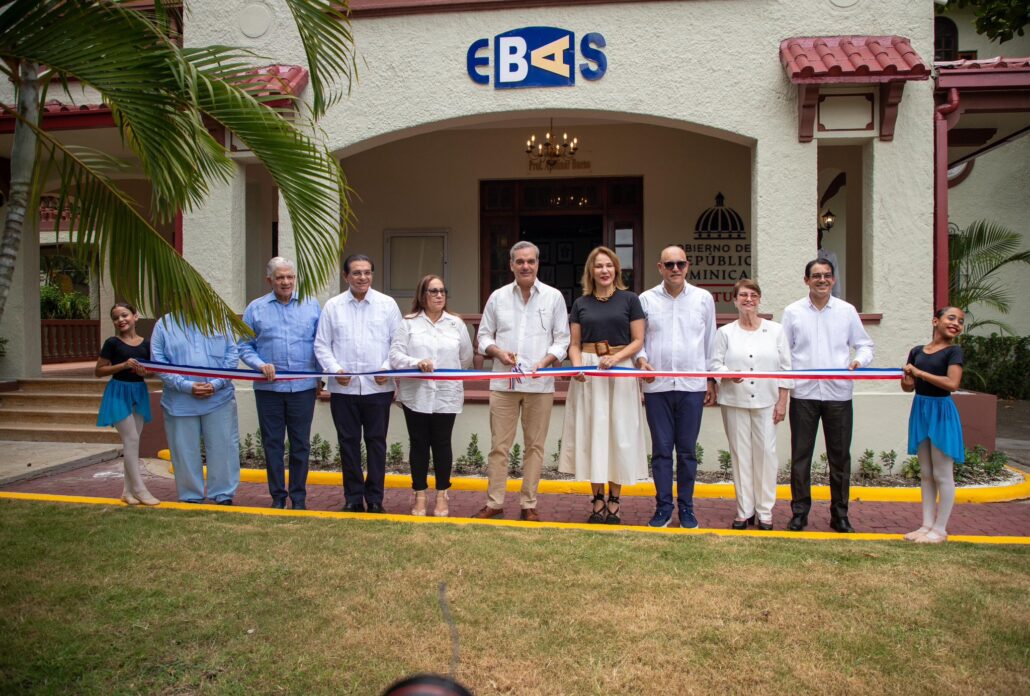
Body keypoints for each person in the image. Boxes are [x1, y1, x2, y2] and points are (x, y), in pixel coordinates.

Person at [473, 241, 570, 522]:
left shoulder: (553, 297)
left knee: (535, 447)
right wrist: (498, 353)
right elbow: (483, 337)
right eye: (520, 261)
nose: (525, 266)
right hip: (504, 384)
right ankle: (495, 502)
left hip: (539, 384)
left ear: (537, 264)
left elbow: (562, 339)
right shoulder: (498, 297)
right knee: (498, 447)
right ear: (511, 265)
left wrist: (546, 360)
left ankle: (529, 504)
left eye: (530, 261)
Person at [782, 258, 874, 533]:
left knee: (840, 458)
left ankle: (840, 515)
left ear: (833, 280)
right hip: (804, 394)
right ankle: (799, 513)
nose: (822, 280)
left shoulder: (846, 311)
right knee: (800, 458)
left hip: (838, 394)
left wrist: (859, 361)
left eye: (827, 276)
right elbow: (784, 352)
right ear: (806, 280)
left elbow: (865, 345)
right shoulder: (793, 312)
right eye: (816, 276)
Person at [558, 246, 647, 524]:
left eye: (609, 265)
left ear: (616, 269)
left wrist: (616, 358)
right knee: (593, 431)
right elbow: (573, 344)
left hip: (620, 368)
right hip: (589, 370)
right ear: (591, 271)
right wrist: (577, 366)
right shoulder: (581, 304)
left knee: (619, 432)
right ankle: (597, 499)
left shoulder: (630, 300)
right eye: (599, 266)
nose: (604, 271)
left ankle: (615, 501)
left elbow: (638, 340)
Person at [636, 245, 717, 529]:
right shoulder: (646, 299)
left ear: (687, 266)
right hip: (656, 386)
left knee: (686, 452)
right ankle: (663, 508)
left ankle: (686, 509)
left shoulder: (703, 299)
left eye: (680, 264)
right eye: (669, 264)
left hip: (691, 386)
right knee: (660, 450)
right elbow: (639, 340)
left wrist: (710, 379)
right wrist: (641, 360)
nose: (674, 269)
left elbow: (710, 341)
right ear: (660, 267)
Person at [314, 254, 401, 514]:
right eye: (356, 273)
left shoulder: (387, 305)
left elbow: (398, 343)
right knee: (348, 442)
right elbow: (321, 345)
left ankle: (375, 499)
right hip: (344, 389)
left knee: (377, 443)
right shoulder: (333, 306)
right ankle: (353, 497)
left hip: (378, 389)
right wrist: (333, 369)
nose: (362, 277)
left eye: (367, 272)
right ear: (346, 277)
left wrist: (387, 368)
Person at [239, 257, 321, 510]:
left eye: (290, 277)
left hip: (303, 388)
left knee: (301, 445)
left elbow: (321, 344)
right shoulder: (255, 308)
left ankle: (298, 498)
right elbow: (244, 345)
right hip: (269, 390)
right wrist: (259, 364)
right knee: (272, 444)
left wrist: (321, 379)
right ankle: (277, 497)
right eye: (280, 277)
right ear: (269, 280)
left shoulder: (312, 305)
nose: (286, 282)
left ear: (295, 278)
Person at [390, 275, 474, 517]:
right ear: (422, 295)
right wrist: (417, 363)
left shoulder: (455, 324)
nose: (439, 295)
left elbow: (465, 358)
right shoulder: (408, 323)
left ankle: (441, 495)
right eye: (433, 291)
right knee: (418, 444)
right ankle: (419, 494)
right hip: (416, 394)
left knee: (442, 443)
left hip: (446, 394)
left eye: (442, 291)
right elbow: (395, 356)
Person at [712, 279, 792, 531]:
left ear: (759, 300)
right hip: (734, 401)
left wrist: (782, 401)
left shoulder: (776, 330)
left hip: (767, 402)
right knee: (741, 455)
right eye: (743, 295)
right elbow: (714, 365)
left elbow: (785, 369)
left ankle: (765, 511)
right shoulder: (725, 332)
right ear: (734, 300)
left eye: (753, 295)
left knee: (766, 456)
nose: (748, 299)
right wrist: (726, 373)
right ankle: (744, 510)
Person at [151, 313, 241, 505]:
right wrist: (185, 385)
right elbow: (158, 360)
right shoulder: (164, 324)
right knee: (184, 450)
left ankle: (223, 495)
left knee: (222, 448)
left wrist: (217, 384)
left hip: (218, 398)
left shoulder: (219, 320)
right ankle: (191, 496)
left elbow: (232, 354)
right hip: (180, 400)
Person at [900, 306, 966, 544]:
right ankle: (926, 524)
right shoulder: (917, 351)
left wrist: (918, 372)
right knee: (926, 473)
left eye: (960, 321)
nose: (956, 323)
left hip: (941, 411)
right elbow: (909, 387)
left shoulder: (954, 352)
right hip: (921, 408)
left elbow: (952, 383)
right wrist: (907, 379)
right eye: (951, 318)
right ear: (935, 321)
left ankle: (940, 529)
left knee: (942, 473)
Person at [95, 302, 159, 506]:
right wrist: (123, 365)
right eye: (116, 318)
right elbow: (99, 370)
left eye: (124, 315)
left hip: (138, 392)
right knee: (131, 439)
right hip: (117, 392)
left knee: (134, 442)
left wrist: (145, 372)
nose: (120, 320)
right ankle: (141, 489)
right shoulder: (112, 343)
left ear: (135, 316)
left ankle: (127, 492)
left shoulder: (146, 344)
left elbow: (152, 370)